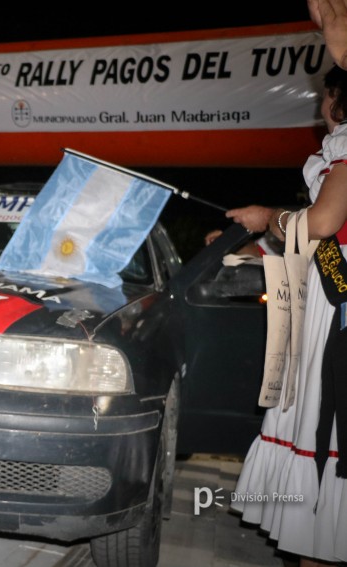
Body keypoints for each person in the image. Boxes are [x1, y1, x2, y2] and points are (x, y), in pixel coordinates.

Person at [226, 64, 347, 566]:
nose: (319, 103)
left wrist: (266, 218)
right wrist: (264, 243)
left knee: (324, 434)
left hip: (336, 313)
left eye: (325, 93)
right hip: (329, 297)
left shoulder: (345, 147)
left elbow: (321, 224)